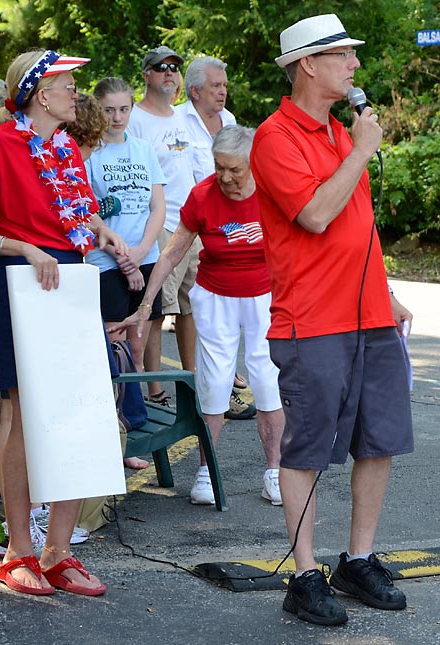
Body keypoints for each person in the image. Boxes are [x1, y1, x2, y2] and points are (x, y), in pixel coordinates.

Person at [250, 14, 414, 626]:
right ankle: (303, 574)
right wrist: (364, 149)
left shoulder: (338, 134)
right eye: (344, 55)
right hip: (312, 321)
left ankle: (358, 559)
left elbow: (357, 225)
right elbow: (316, 215)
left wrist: (385, 291)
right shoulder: (275, 137)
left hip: (368, 313)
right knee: (309, 449)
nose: (355, 65)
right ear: (308, 65)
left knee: (381, 438)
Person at [0, 49, 127, 596]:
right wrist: (23, 247)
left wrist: (100, 229)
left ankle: (59, 551)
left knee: (77, 412)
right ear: (39, 93)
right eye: (68, 84)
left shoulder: (67, 145)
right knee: (25, 412)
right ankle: (17, 551)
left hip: (70, 283)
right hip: (20, 284)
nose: (77, 92)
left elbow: (73, 211)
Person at [110, 125, 284, 505]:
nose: (225, 177)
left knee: (268, 381)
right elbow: (172, 252)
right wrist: (145, 305)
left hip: (264, 296)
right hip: (216, 295)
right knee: (214, 383)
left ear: (253, 164)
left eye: (235, 170)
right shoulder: (204, 194)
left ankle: (274, 472)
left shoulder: (274, 190)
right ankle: (206, 472)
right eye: (220, 167)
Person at [87, 77, 166, 470]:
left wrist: (138, 254)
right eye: (109, 110)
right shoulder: (89, 154)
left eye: (124, 109)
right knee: (114, 352)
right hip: (107, 263)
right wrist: (122, 258)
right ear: (97, 109)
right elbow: (87, 215)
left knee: (137, 350)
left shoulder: (143, 149)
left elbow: (158, 208)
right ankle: (119, 434)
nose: (117, 117)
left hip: (145, 256)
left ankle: (132, 430)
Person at [177, 56, 252, 418]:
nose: (222, 92)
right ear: (194, 91)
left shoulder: (231, 122)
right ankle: (198, 384)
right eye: (215, 86)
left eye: (224, 85)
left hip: (228, 225)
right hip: (187, 221)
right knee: (183, 308)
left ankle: (222, 387)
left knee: (221, 310)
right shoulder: (175, 121)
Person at [126, 46, 199, 406]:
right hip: (163, 225)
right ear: (146, 74)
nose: (169, 73)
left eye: (174, 68)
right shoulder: (136, 118)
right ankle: (154, 389)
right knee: (156, 310)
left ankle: (193, 382)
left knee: (191, 308)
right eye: (161, 68)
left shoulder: (181, 116)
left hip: (193, 223)